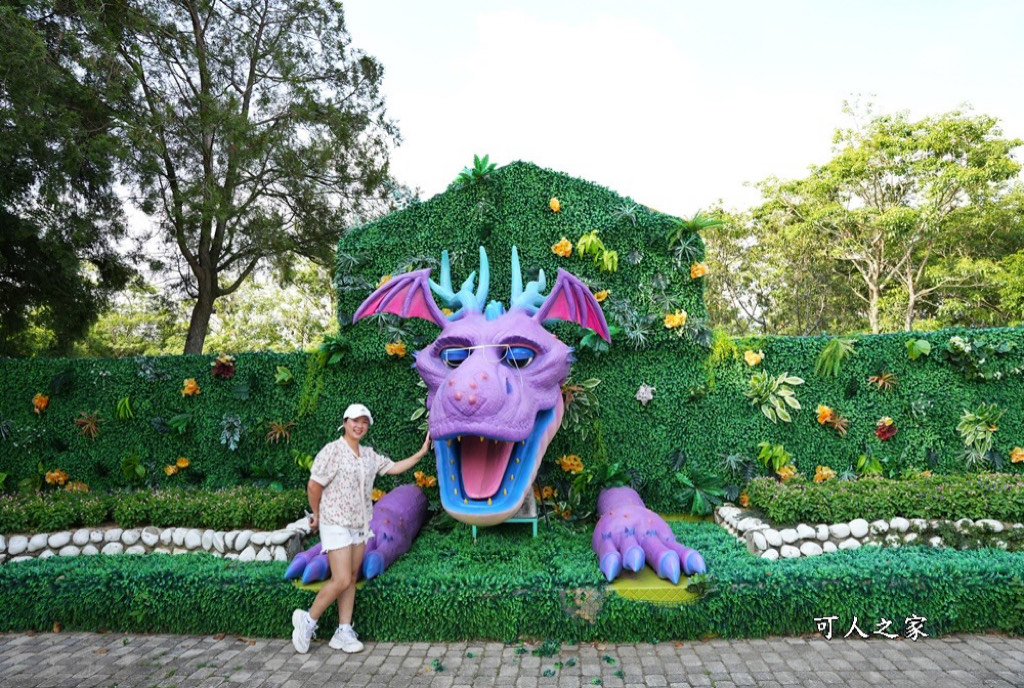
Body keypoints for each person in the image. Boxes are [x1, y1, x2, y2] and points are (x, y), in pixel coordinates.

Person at [291, 402, 431, 654]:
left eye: (364, 422)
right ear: (345, 422)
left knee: (352, 577)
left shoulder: (368, 456)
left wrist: (421, 453)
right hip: (336, 523)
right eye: (355, 420)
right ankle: (307, 619)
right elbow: (314, 486)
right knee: (342, 577)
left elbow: (394, 467)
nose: (360, 425)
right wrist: (317, 514)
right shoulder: (332, 451)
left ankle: (343, 631)